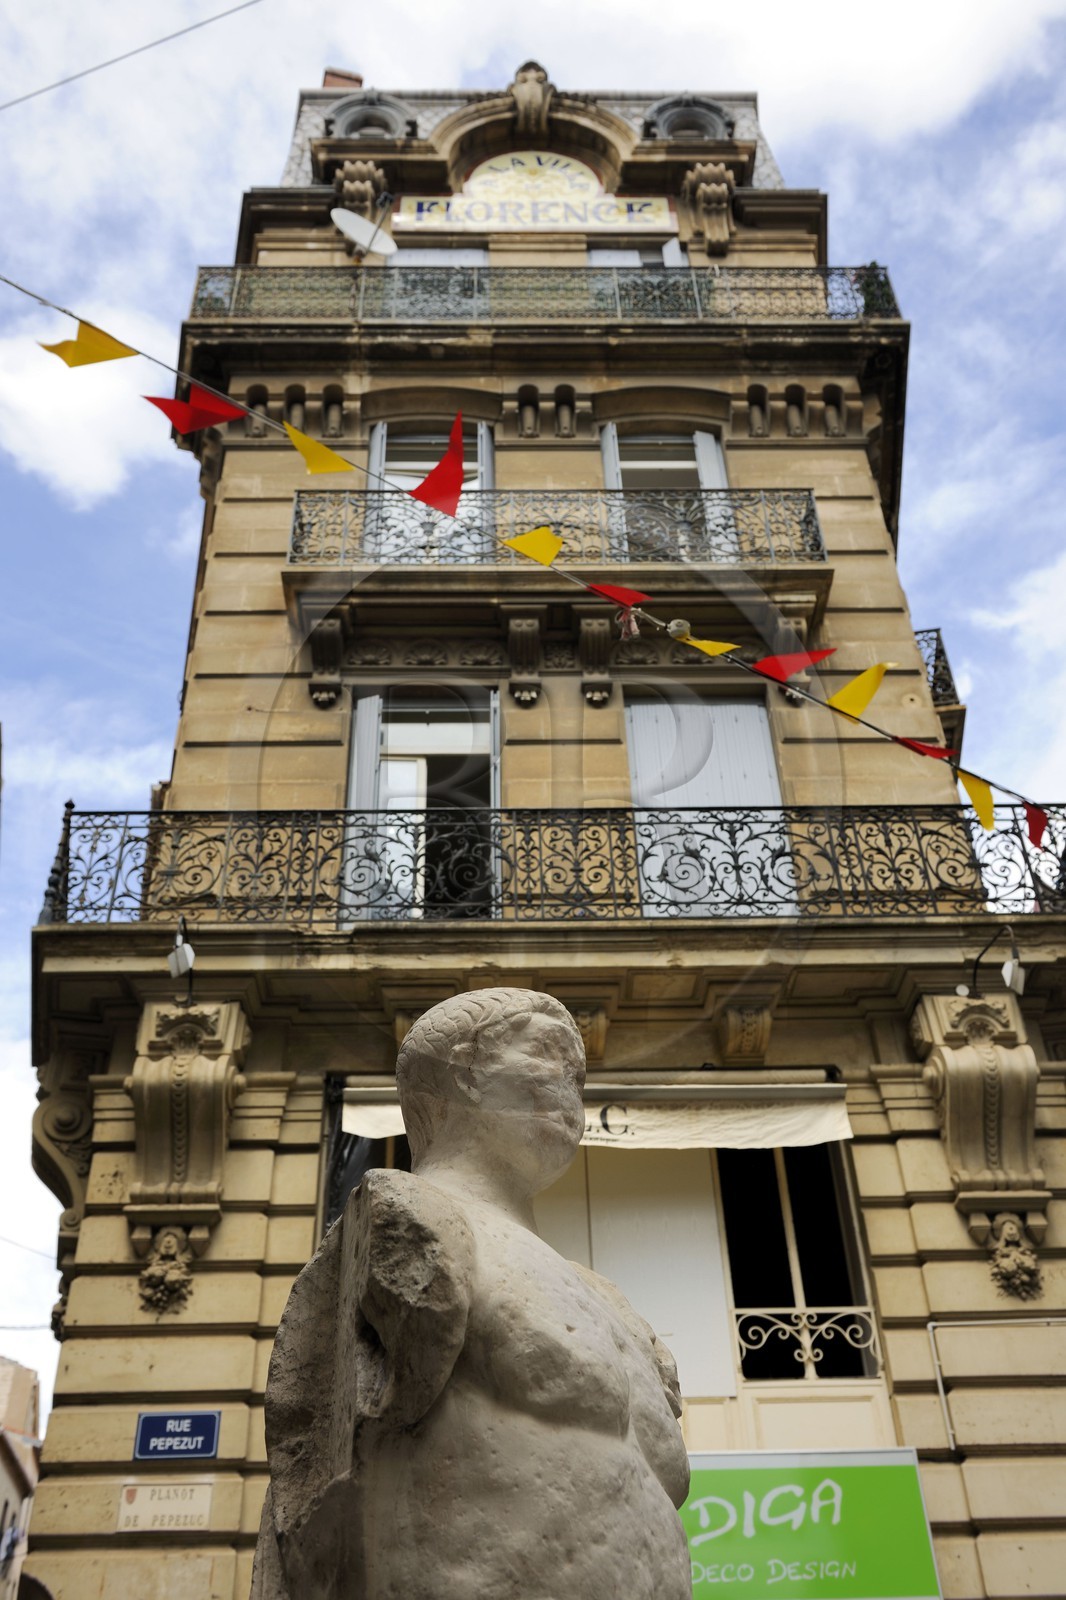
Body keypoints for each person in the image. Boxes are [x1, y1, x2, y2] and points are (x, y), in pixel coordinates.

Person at [253, 987, 691, 1600]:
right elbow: (308, 1489)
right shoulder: (410, 1216)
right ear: (462, 1073)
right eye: (547, 1052)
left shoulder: (606, 1298)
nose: (572, 1081)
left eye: (579, 1071)